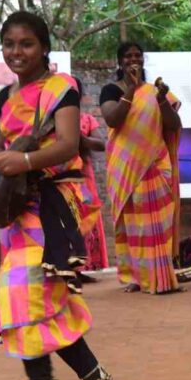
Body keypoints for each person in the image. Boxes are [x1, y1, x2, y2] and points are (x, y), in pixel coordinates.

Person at [0, 11, 117, 380]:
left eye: (25, 44)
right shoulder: (7, 96)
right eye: (9, 44)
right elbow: (11, 150)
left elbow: (66, 145)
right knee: (49, 297)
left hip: (54, 203)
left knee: (20, 291)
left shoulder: (62, 88)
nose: (16, 52)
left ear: (43, 47)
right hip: (20, 206)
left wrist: (21, 159)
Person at [100, 42, 182, 294]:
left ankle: (160, 275)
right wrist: (132, 90)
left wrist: (161, 101)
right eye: (128, 56)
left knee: (159, 222)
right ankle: (135, 276)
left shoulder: (155, 91)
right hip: (125, 166)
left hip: (155, 164)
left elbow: (174, 124)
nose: (133, 60)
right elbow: (112, 118)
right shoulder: (111, 90)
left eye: (137, 55)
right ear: (120, 61)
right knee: (132, 225)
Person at [75, 78, 109, 279]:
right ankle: (71, 267)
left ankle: (84, 267)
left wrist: (82, 139)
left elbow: (100, 143)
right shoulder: (53, 119)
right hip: (61, 177)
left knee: (88, 219)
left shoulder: (87, 119)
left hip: (84, 176)